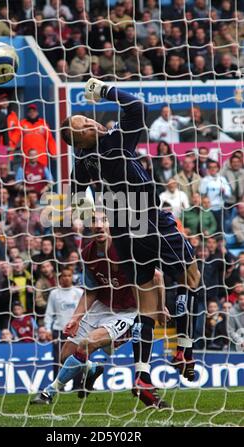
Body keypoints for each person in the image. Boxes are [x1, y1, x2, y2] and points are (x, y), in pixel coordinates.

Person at [61, 78, 202, 382]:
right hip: (149, 219)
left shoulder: (83, 160)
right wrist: (103, 90)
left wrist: (88, 215)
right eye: (84, 124)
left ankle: (142, 376)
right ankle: (184, 348)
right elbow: (138, 105)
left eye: (87, 118)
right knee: (191, 280)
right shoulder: (112, 142)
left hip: (123, 233)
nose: (91, 122)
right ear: (79, 138)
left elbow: (75, 191)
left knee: (148, 303)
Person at [31, 211, 167, 408]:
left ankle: (48, 393)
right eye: (94, 220)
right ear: (89, 226)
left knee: (87, 344)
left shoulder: (126, 249)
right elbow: (90, 292)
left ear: (110, 225)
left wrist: (160, 307)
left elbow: (157, 277)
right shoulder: (87, 253)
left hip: (128, 311)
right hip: (102, 306)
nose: (99, 225)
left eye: (104, 220)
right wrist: (76, 318)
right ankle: (93, 369)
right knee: (65, 355)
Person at [43, 267, 83, 381]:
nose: (66, 278)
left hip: (76, 332)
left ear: (72, 277)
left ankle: (78, 385)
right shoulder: (54, 293)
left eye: (69, 276)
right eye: (64, 276)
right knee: (58, 359)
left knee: (78, 358)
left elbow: (85, 312)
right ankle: (57, 386)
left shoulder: (79, 292)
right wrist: (47, 329)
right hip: (59, 331)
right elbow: (49, 313)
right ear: (60, 278)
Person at [20, 103, 57, 168]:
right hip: (27, 158)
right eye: (30, 112)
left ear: (37, 113)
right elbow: (16, 135)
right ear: (27, 113)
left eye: (34, 111)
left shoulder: (43, 124)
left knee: (44, 176)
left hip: (41, 158)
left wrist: (53, 152)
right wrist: (11, 147)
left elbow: (50, 139)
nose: (32, 113)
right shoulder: (22, 123)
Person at [200, 160, 232, 232]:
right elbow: (202, 193)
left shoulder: (222, 179)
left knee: (223, 229)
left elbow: (229, 194)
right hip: (209, 210)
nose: (213, 169)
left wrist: (224, 191)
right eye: (210, 167)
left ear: (218, 168)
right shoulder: (204, 180)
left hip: (221, 208)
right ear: (207, 169)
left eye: (215, 167)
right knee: (212, 229)